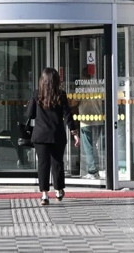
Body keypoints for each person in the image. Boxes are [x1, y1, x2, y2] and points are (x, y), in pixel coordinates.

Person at [25, 67, 80, 206]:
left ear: (42, 80)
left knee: (43, 164)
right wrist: (74, 133)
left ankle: (44, 195)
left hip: (40, 136)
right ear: (56, 80)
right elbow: (68, 116)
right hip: (57, 134)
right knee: (57, 162)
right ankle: (59, 190)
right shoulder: (61, 95)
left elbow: (30, 114)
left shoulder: (37, 94)